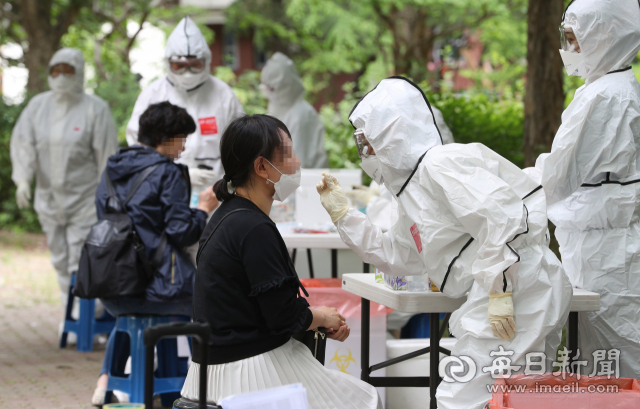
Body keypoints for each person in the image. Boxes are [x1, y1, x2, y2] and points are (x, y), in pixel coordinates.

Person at [316, 77, 572, 409]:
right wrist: (342, 214)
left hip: (520, 289)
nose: (365, 153)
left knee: (463, 398)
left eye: (368, 142)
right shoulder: (411, 195)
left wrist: (500, 289)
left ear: (390, 135)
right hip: (504, 292)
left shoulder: (440, 163)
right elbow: (397, 255)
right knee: (509, 399)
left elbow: (502, 216)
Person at [180, 114, 381, 409]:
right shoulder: (253, 227)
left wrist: (315, 320)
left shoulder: (227, 216)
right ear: (262, 167)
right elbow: (281, 316)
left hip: (211, 369)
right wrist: (321, 317)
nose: (296, 163)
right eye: (288, 154)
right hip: (246, 369)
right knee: (365, 400)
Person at [524, 0, 640, 378]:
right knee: (606, 360)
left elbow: (558, 176)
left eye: (575, 39)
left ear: (604, 37)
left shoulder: (605, 96)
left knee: (616, 365)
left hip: (609, 253)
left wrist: (508, 185)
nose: (569, 50)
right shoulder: (616, 86)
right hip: (603, 247)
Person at [91, 102, 218, 405]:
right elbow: (181, 231)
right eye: (181, 139)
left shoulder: (113, 167)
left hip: (110, 287)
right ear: (165, 137)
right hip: (160, 289)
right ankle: (186, 392)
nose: (184, 147)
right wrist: (202, 209)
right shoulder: (167, 173)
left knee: (132, 314)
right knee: (206, 297)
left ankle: (108, 379)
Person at [10, 48, 118, 314]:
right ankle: (68, 313)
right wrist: (23, 178)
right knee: (59, 259)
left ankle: (86, 318)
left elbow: (107, 157)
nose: (60, 77)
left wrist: (107, 198)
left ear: (79, 72)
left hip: (84, 199)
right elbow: (23, 143)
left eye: (67, 71)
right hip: (48, 198)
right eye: (55, 71)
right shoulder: (38, 106)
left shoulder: (95, 109)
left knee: (81, 258)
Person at [126, 16, 245, 206]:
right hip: (164, 190)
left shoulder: (222, 93)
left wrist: (231, 182)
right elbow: (139, 145)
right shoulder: (154, 94)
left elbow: (242, 142)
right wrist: (178, 172)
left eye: (194, 65)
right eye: (179, 66)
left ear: (205, 61)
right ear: (168, 62)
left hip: (215, 192)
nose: (187, 73)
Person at [260, 52, 328, 168]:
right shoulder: (280, 107)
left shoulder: (301, 115)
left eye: (272, 88)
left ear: (285, 86)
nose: (269, 93)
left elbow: (298, 164)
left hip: (306, 181)